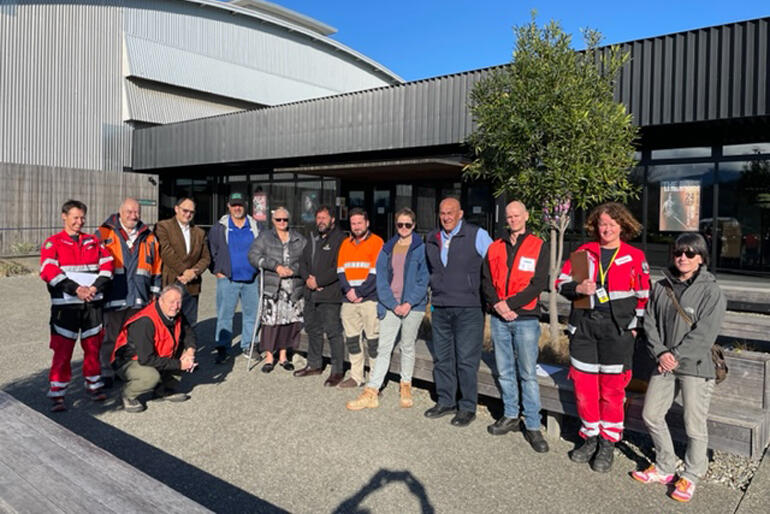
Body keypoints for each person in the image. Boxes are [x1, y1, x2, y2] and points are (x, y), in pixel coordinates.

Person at [556, 202, 650, 472]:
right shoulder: (584, 253)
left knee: (611, 391)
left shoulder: (634, 256)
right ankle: (590, 437)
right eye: (602, 223)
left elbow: (644, 296)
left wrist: (633, 328)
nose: (606, 228)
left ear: (623, 226)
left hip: (617, 332)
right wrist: (577, 287)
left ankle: (608, 443)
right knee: (585, 391)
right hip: (585, 328)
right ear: (595, 226)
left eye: (612, 223)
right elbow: (560, 283)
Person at [632, 233, 726, 502]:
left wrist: (674, 355)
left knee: (694, 424)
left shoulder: (711, 291)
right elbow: (649, 322)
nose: (683, 258)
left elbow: (705, 333)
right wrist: (661, 352)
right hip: (664, 362)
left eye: (690, 253)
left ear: (701, 258)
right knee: (651, 414)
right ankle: (665, 465)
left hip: (696, 365)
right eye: (678, 253)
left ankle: (692, 474)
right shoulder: (661, 286)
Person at [481, 201, 549, 452]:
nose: (512, 220)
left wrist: (509, 304)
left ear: (526, 216)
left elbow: (538, 283)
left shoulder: (538, 245)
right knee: (505, 370)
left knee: (528, 373)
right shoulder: (495, 247)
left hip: (526, 318)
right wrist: (498, 305)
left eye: (517, 215)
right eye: (509, 216)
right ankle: (510, 414)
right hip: (499, 318)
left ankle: (532, 424)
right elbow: (486, 280)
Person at [346, 208, 429, 410]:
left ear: (414, 225)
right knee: (384, 348)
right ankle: (372, 391)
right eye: (400, 224)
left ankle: (405, 385)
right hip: (390, 305)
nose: (403, 228)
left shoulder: (421, 248)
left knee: (407, 347)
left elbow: (423, 279)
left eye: (407, 225)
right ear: (396, 225)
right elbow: (381, 279)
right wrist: (393, 304)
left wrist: (408, 303)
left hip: (413, 306)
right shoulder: (387, 248)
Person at [424, 197, 493, 427]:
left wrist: (490, 296)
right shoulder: (432, 238)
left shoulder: (477, 235)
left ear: (460, 213)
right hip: (441, 306)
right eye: (443, 213)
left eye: (451, 212)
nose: (446, 217)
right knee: (443, 357)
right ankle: (446, 400)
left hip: (469, 307)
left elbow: (495, 263)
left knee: (466, 359)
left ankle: (467, 406)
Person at [40, 199, 114, 411]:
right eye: (75, 217)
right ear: (64, 216)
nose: (79, 222)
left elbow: (108, 266)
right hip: (66, 307)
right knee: (62, 351)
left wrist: (95, 288)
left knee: (93, 348)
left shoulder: (93, 241)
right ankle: (58, 393)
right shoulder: (53, 243)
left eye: (82, 217)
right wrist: (76, 289)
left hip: (92, 305)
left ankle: (93, 385)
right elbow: (48, 271)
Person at [97, 198, 162, 389]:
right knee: (110, 335)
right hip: (113, 296)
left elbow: (157, 267)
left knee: (133, 338)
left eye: (136, 212)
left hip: (139, 298)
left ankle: (124, 368)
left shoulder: (149, 237)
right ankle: (105, 369)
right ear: (120, 212)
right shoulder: (104, 233)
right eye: (129, 212)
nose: (133, 215)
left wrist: (155, 293)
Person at [112, 284, 197, 413]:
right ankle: (128, 394)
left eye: (178, 302)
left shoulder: (176, 314)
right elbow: (146, 359)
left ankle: (163, 390)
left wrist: (190, 351)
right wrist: (179, 364)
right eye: (171, 302)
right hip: (129, 360)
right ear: (160, 300)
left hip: (153, 355)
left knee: (185, 355)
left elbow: (188, 332)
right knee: (150, 376)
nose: (175, 306)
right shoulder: (145, 321)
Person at [248, 207, 306, 372]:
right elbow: (253, 256)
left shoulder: (298, 238)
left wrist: (292, 270)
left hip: (292, 288)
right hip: (273, 287)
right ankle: (269, 357)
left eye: (285, 220)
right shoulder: (265, 237)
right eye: (278, 219)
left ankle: (283, 356)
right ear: (273, 221)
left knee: (288, 322)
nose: (282, 223)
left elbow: (305, 259)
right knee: (270, 323)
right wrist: (275, 267)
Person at [295, 205, 347, 386]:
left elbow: (339, 267)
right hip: (310, 294)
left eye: (324, 218)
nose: (321, 221)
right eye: (318, 218)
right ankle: (314, 364)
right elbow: (302, 261)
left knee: (333, 332)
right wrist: (308, 279)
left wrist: (319, 281)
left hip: (330, 294)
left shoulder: (341, 239)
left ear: (332, 219)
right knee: (312, 329)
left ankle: (337, 370)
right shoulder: (313, 238)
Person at [208, 192, 262, 364]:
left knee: (252, 314)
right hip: (228, 279)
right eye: (234, 205)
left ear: (245, 206)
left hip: (251, 279)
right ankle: (223, 347)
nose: (237, 208)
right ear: (228, 206)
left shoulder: (255, 226)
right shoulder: (219, 228)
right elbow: (210, 251)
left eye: (240, 204)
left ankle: (248, 345)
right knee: (225, 314)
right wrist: (216, 270)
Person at [336, 208, 384, 388]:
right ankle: (356, 377)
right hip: (349, 300)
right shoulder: (345, 244)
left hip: (369, 299)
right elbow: (341, 270)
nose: (356, 227)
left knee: (373, 341)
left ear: (367, 223)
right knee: (352, 340)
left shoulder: (377, 242)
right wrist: (349, 291)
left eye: (359, 223)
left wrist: (359, 292)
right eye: (353, 223)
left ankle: (374, 379)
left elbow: (376, 272)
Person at [154, 197, 211, 327]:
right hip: (171, 281)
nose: (188, 214)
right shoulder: (163, 226)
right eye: (185, 210)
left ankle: (188, 347)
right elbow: (166, 251)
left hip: (192, 285)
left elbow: (206, 257)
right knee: (167, 322)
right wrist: (185, 271)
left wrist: (193, 273)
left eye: (192, 212)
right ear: (176, 209)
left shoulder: (199, 233)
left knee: (189, 323)